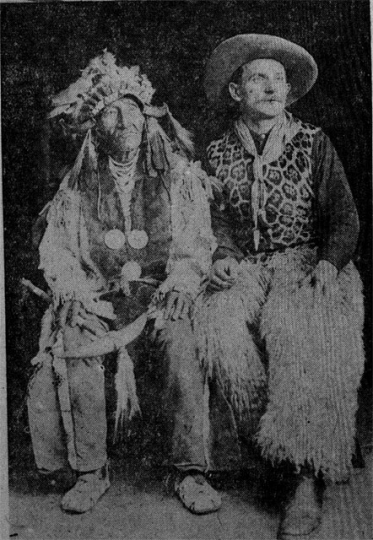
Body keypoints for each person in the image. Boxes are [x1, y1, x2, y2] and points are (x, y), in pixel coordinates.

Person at [27, 51, 221, 515]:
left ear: (147, 118)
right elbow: (57, 250)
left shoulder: (177, 178)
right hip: (101, 298)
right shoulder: (76, 189)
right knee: (72, 334)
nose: (124, 121)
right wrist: (71, 291)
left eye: (132, 110)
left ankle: (191, 471)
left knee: (181, 336)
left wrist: (182, 281)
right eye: (110, 113)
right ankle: (91, 471)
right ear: (95, 129)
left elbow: (197, 243)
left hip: (158, 295)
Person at [196, 34, 365, 538]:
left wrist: (330, 265)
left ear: (289, 92)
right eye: (256, 78)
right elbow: (217, 223)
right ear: (235, 92)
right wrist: (223, 255)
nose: (269, 87)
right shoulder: (218, 153)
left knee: (300, 328)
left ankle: (304, 477)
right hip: (247, 266)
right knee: (215, 325)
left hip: (306, 262)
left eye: (278, 80)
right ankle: (267, 452)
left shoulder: (313, 143)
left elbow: (346, 220)